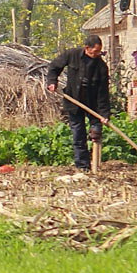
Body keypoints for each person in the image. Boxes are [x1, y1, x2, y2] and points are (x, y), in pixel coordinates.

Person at [46, 33, 110, 172]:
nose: (98, 54)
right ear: (87, 48)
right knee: (78, 135)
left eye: (100, 51)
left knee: (96, 133)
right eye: (95, 52)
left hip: (93, 104)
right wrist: (52, 82)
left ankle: (96, 165)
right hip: (74, 101)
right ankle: (83, 166)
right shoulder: (72, 54)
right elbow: (54, 67)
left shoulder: (101, 67)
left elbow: (103, 93)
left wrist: (104, 114)